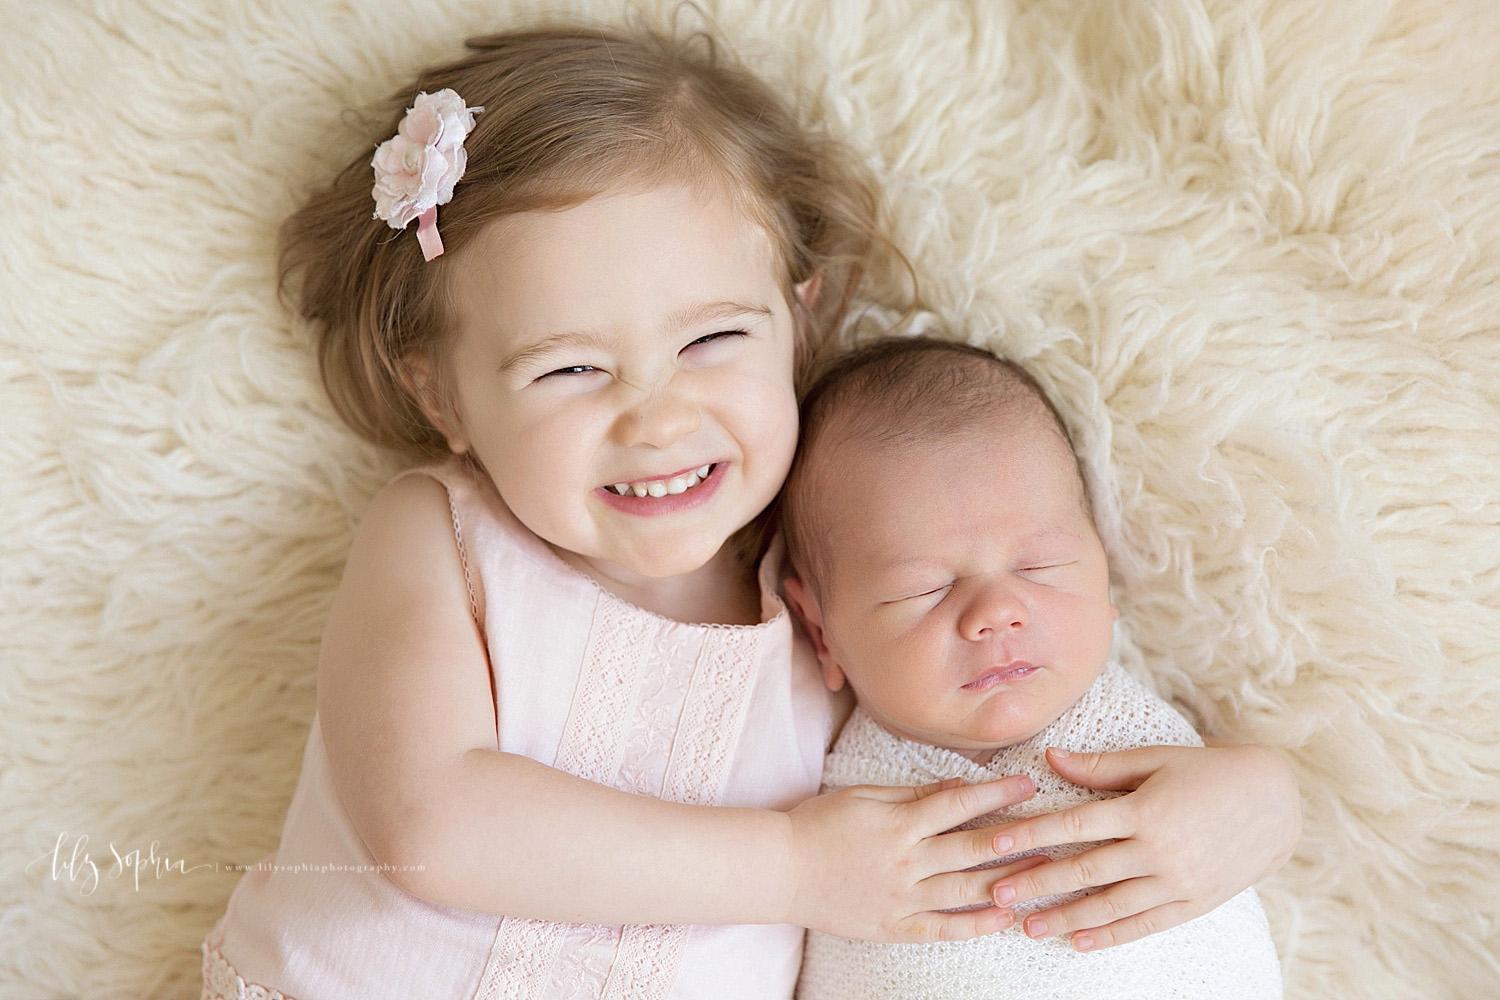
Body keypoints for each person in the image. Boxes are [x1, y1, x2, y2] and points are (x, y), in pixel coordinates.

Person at [199, 20, 1300, 1000]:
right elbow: (427, 824)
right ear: (440, 392)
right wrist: (796, 867)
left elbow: (1025, 732)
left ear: (798, 319)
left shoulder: (842, 592)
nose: (657, 417)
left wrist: (1254, 801)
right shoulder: (441, 537)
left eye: (712, 340)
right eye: (571, 370)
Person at [779, 336, 1285, 999]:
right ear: (823, 634)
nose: (995, 611)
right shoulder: (837, 810)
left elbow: (1249, 824)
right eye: (923, 590)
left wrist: (1263, 789)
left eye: (1038, 567)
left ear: (1105, 578)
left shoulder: (1148, 747)